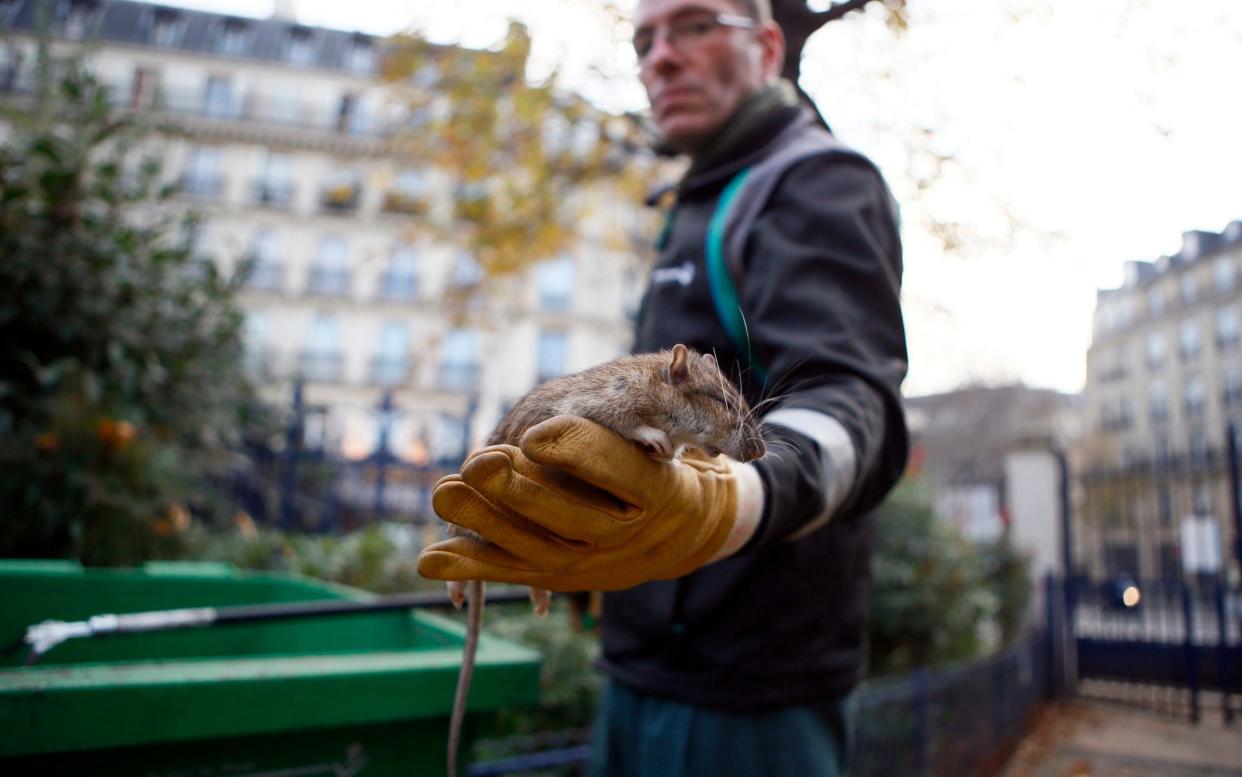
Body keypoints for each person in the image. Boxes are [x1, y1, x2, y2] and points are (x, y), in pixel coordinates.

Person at [418, 0, 908, 774]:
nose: (660, 58)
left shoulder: (815, 181)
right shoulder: (694, 198)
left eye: (694, 24)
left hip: (750, 691)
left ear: (770, 45)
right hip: (640, 663)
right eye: (644, 39)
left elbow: (854, 404)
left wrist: (730, 502)